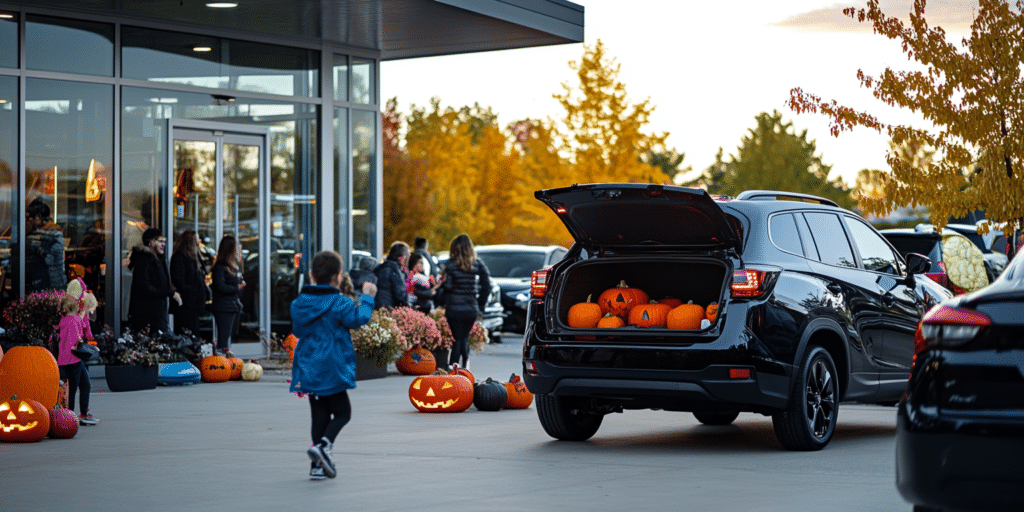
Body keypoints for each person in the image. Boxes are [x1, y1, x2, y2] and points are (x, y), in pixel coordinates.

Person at [290, 250, 377, 480]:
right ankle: (324, 448)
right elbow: (359, 318)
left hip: (309, 366)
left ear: (311, 275)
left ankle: (317, 466)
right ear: (338, 277)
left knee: (319, 415)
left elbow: (297, 331)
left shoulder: (299, 304)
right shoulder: (339, 303)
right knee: (342, 413)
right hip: (333, 367)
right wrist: (367, 297)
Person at [439, 234, 491, 370]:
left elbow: (447, 287)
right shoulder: (478, 264)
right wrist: (480, 304)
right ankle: (464, 368)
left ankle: (453, 369)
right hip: (471, 308)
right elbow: (487, 286)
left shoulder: (450, 265)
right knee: (463, 338)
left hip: (454, 308)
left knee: (457, 339)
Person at [57, 290, 99, 426]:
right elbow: (80, 338)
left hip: (63, 360)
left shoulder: (62, 321)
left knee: (72, 388)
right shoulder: (76, 320)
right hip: (74, 359)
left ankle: (73, 415)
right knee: (77, 388)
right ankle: (71, 418)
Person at [128, 228, 181, 333]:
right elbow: (144, 287)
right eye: (160, 241)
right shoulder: (144, 259)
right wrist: (170, 293)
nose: (163, 245)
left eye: (164, 242)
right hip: (146, 313)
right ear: (151, 242)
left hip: (157, 312)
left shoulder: (158, 259)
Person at [170, 229, 209, 340]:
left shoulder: (194, 257)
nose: (199, 241)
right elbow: (179, 281)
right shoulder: (180, 257)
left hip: (194, 304)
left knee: (194, 335)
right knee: (187, 335)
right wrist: (193, 292)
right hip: (186, 305)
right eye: (197, 239)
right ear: (191, 241)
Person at [24, 198, 67, 294]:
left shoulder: (54, 232)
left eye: (30, 218)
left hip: (52, 283)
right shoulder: (37, 231)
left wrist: (35, 245)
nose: (28, 222)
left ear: (38, 217)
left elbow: (50, 259)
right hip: (39, 281)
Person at [211, 235, 245, 354]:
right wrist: (236, 288)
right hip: (223, 307)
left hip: (232, 305)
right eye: (236, 247)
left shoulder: (232, 266)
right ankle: (221, 362)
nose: (238, 249)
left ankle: (225, 358)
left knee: (228, 335)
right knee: (223, 337)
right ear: (230, 249)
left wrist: (238, 283)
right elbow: (220, 287)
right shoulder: (220, 267)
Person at [372, 241, 410, 309]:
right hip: (388, 307)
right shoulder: (395, 271)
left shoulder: (380, 267)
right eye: (407, 257)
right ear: (401, 258)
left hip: (377, 306)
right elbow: (401, 295)